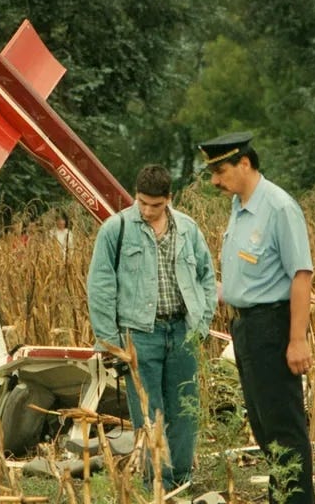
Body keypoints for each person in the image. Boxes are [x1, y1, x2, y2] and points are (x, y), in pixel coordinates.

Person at [198, 132, 315, 504]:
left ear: (244, 163)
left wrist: (297, 340)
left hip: (272, 326)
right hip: (245, 328)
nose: (215, 180)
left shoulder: (278, 207)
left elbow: (301, 274)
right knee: (264, 428)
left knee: (284, 428)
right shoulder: (240, 205)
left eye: (220, 170)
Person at [87, 164, 217, 493]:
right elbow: (101, 286)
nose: (147, 210)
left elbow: (206, 276)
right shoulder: (115, 230)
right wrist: (110, 342)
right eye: (142, 202)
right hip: (139, 334)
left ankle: (181, 483)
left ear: (168, 200)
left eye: (155, 205)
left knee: (185, 410)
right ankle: (156, 483)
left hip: (182, 330)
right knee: (148, 411)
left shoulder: (188, 229)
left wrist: (201, 323)